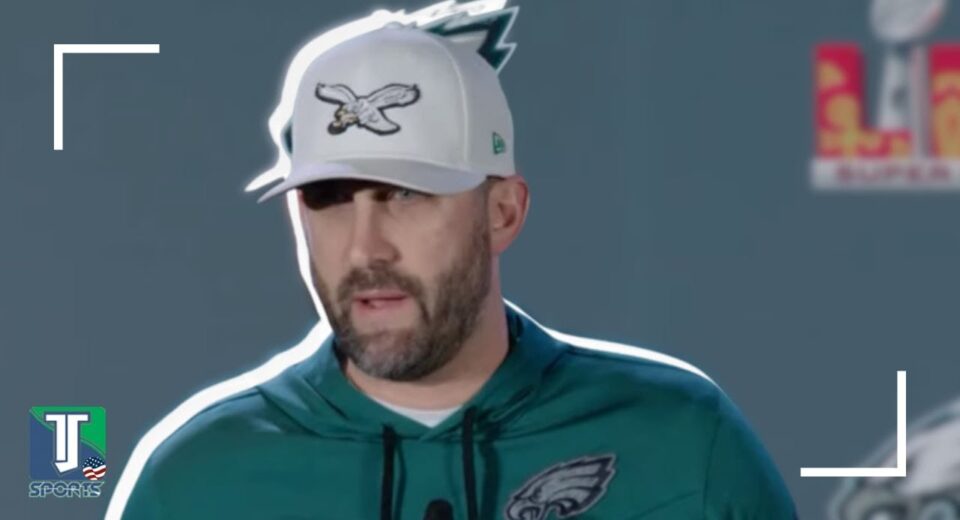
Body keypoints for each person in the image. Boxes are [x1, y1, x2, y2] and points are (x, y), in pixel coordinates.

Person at [117, 23, 798, 520]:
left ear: (503, 212)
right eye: (329, 199)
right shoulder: (194, 479)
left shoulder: (682, 441)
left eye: (405, 194)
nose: (365, 250)